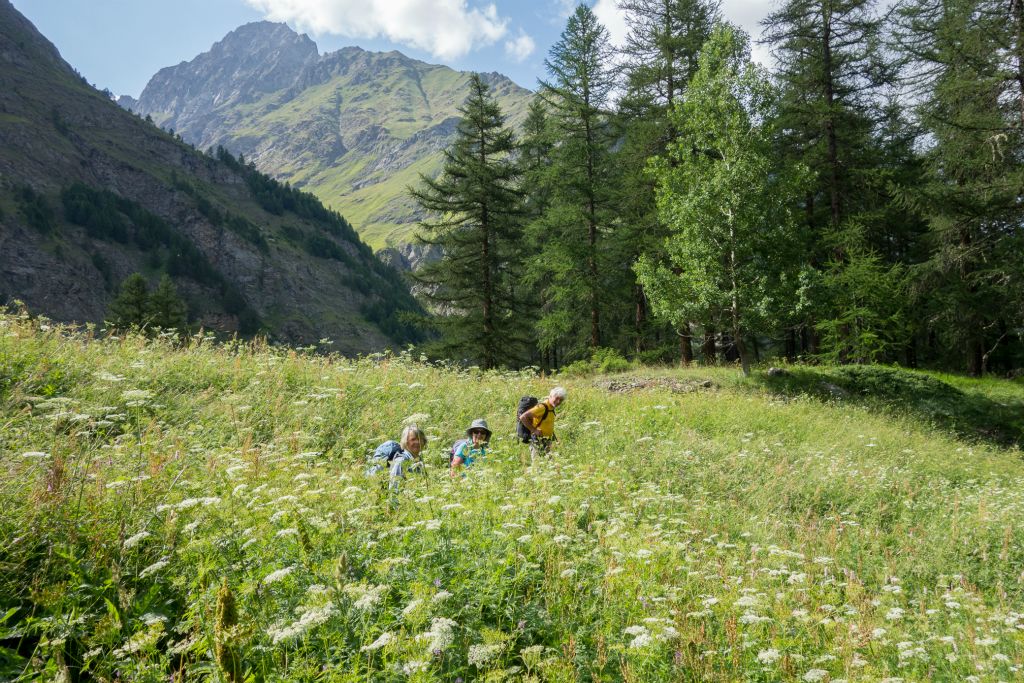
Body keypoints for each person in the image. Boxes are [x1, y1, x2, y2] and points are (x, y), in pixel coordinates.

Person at [367, 424, 427, 491]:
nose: (417, 442)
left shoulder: (419, 460)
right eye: (413, 439)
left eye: (419, 439)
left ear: (424, 441)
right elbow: (394, 489)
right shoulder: (401, 461)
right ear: (405, 442)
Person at [518, 387, 565, 462]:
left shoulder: (551, 407)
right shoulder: (542, 407)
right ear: (550, 396)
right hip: (537, 441)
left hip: (547, 441)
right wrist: (533, 430)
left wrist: (554, 439)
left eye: (561, 400)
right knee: (537, 465)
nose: (558, 401)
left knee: (550, 464)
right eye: (556, 398)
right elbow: (523, 417)